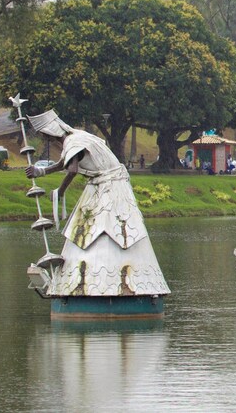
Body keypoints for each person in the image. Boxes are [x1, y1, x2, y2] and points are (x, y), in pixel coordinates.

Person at [25, 109, 170, 298]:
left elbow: (72, 169)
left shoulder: (74, 141)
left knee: (114, 230)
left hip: (109, 187)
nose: (47, 139)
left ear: (51, 133)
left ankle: (116, 284)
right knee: (93, 230)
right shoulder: (78, 137)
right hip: (104, 185)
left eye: (46, 136)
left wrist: (61, 191)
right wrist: (41, 172)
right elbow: (65, 162)